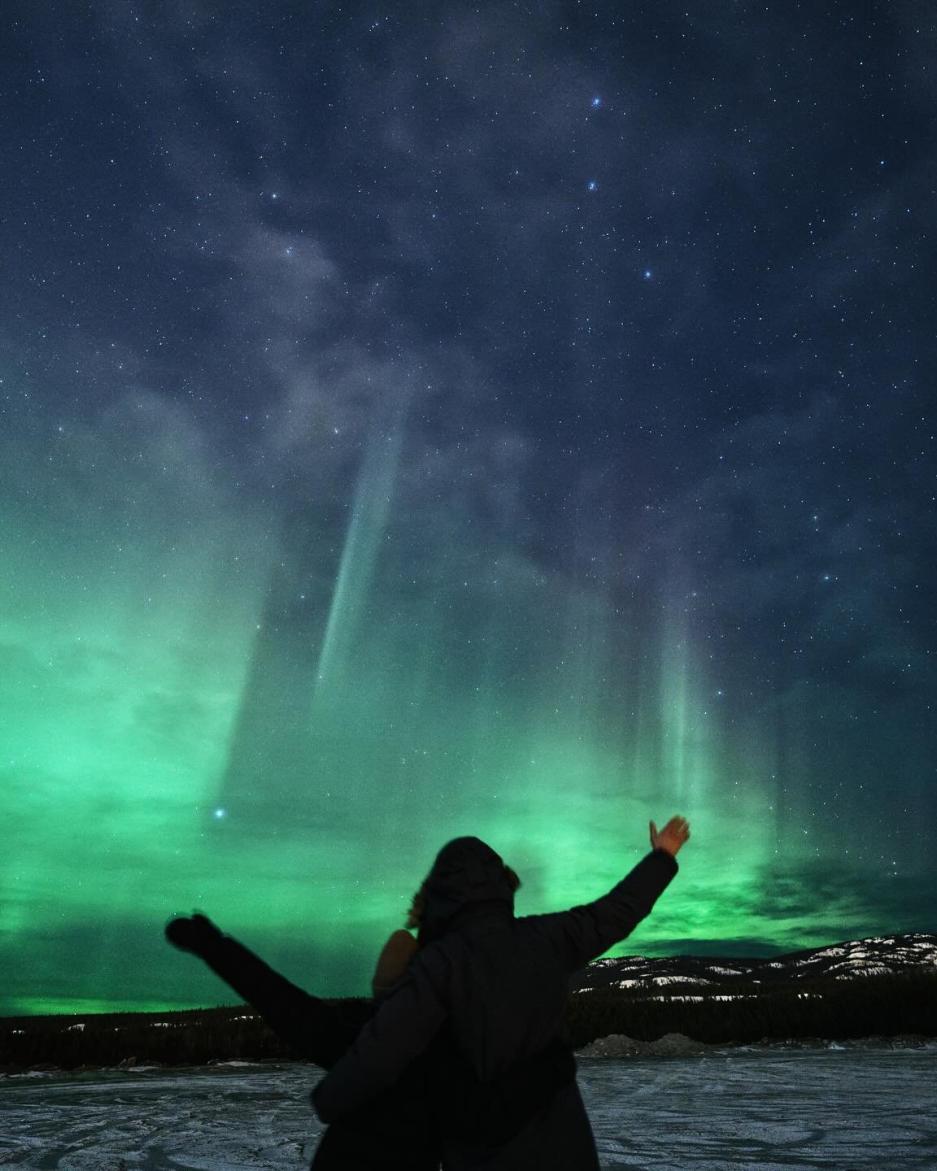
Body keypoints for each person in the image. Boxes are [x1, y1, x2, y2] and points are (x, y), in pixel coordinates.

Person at [312, 815, 690, 1169]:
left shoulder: (440, 964)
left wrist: (329, 1099)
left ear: (439, 894)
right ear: (502, 885)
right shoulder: (546, 937)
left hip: (487, 1153)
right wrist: (662, 856)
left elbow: (384, 1046)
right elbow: (616, 911)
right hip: (566, 1144)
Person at [166, 873, 574, 1167]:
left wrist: (215, 948)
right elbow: (485, 1119)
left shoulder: (357, 1035)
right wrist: (549, 1064)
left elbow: (281, 1002)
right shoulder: (443, 1053)